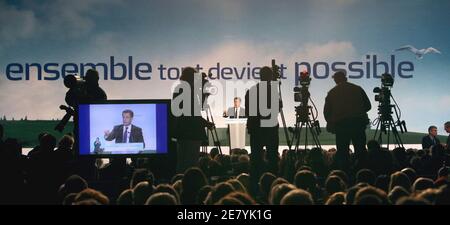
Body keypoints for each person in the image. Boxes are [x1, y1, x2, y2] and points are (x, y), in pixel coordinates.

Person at [324, 70, 371, 171]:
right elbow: (368, 106)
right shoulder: (357, 89)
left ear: (336, 80)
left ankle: (344, 173)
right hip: (358, 124)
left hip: (341, 126)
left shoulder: (332, 92)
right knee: (360, 150)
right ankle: (362, 172)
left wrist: (332, 121)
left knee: (342, 152)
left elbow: (327, 112)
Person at [172, 67, 214, 173]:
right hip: (191, 133)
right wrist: (206, 123)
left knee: (183, 163)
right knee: (190, 164)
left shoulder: (181, 89)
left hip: (184, 133)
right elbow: (192, 113)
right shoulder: (186, 91)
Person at [245, 66, 280, 194]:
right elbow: (277, 109)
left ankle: (254, 188)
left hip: (256, 129)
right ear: (270, 77)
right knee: (272, 158)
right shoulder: (273, 91)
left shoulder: (252, 91)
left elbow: (249, 111)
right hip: (269, 130)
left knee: (256, 159)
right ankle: (274, 187)